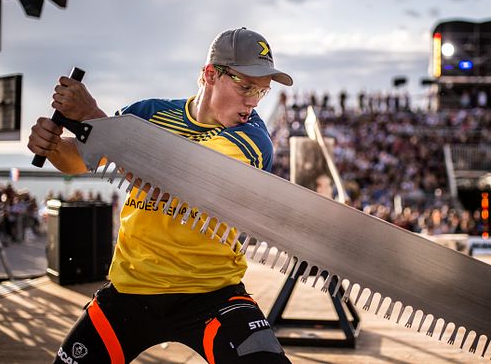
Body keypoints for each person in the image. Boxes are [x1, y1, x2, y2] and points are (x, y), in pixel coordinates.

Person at [28, 28, 293, 363]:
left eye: (261, 91)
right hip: (131, 289)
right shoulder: (148, 114)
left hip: (211, 293)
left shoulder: (252, 138)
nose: (253, 101)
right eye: (246, 86)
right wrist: (51, 146)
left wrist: (94, 115)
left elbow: (176, 184)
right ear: (210, 74)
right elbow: (78, 160)